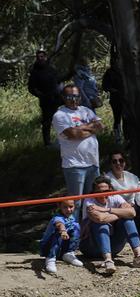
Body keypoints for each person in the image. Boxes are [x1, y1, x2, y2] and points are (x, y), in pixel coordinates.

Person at [80, 178, 140, 275]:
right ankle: (108, 261)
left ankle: (138, 256)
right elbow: (100, 219)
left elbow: (132, 212)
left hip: (114, 246)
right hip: (90, 247)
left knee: (128, 220)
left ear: (110, 190)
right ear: (94, 192)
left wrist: (107, 210)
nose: (103, 194)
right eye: (99, 192)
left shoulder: (115, 197)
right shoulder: (89, 200)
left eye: (106, 191)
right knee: (102, 225)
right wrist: (120, 213)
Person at [53, 83, 103, 213]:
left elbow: (101, 127)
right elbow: (73, 134)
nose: (73, 99)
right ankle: (75, 232)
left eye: (76, 96)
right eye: (70, 96)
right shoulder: (60, 115)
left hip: (93, 163)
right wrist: (91, 128)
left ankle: (90, 232)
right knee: (76, 204)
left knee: (93, 202)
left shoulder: (86, 110)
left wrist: (80, 129)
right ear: (63, 97)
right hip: (74, 165)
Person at [104, 151, 140, 236]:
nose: (118, 163)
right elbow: (109, 199)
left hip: (134, 207)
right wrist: (124, 205)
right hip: (118, 210)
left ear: (125, 162)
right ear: (110, 164)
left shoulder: (132, 177)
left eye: (121, 160)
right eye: (114, 161)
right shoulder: (106, 179)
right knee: (127, 218)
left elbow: (139, 193)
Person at [38, 199, 83, 275]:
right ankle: (50, 258)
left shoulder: (71, 217)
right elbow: (59, 223)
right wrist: (63, 231)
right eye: (65, 207)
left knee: (76, 226)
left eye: (71, 206)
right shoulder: (57, 217)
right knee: (57, 233)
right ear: (59, 207)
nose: (68, 210)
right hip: (49, 246)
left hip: (62, 246)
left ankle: (67, 253)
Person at [27, 49, 60, 147]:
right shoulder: (34, 71)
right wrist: (40, 95)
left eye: (42, 56)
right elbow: (31, 88)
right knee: (46, 122)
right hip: (45, 101)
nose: (40, 58)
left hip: (56, 99)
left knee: (59, 119)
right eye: (38, 57)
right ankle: (47, 143)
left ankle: (61, 141)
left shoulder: (51, 69)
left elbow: (58, 81)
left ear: (45, 57)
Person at [101, 54, 125, 142]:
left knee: (127, 118)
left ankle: (127, 137)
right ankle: (117, 138)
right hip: (116, 99)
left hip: (126, 99)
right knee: (117, 118)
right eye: (115, 60)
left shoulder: (124, 71)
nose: (117, 62)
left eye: (118, 60)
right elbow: (105, 86)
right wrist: (114, 90)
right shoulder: (109, 72)